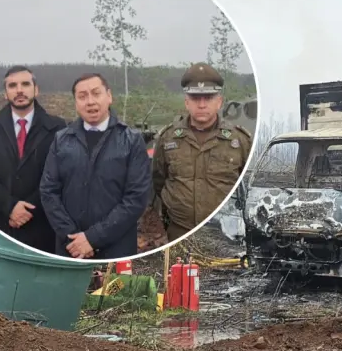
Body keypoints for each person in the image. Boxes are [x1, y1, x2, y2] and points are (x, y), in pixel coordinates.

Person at [38, 73, 151, 260]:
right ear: (75, 102)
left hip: (117, 249)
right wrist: (72, 238)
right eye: (82, 96)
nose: (90, 102)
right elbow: (48, 191)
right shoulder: (62, 140)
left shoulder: (131, 140)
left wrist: (92, 238)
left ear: (109, 96)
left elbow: (135, 199)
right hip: (70, 249)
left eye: (96, 94)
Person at [151, 62, 253, 241]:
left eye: (208, 97)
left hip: (224, 232)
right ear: (187, 102)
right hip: (179, 230)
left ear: (219, 102)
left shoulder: (240, 141)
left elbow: (247, 185)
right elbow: (158, 180)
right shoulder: (168, 138)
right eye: (196, 98)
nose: (202, 104)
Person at [0, 66, 67, 253]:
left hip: (43, 224)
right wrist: (10, 207)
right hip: (2, 223)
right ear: (6, 93)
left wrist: (28, 210)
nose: (19, 90)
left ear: (36, 89)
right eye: (12, 85)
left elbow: (60, 174)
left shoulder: (57, 128)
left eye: (25, 84)